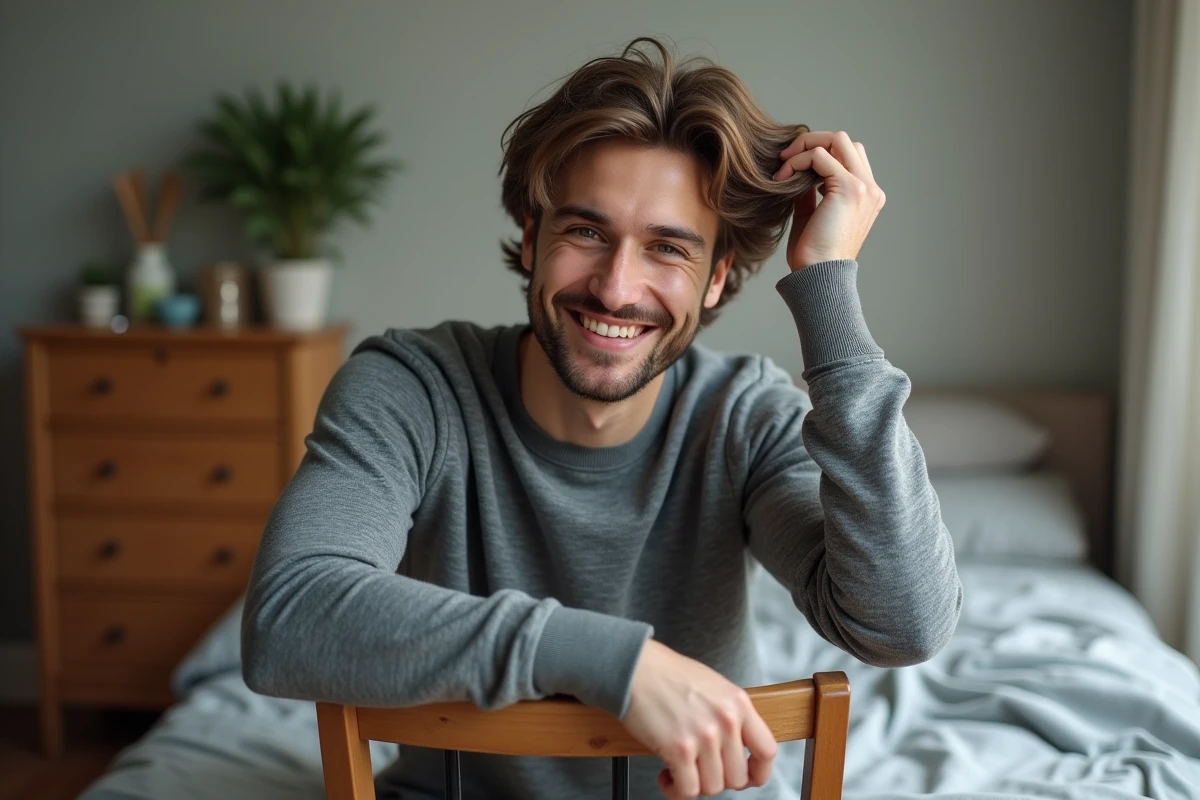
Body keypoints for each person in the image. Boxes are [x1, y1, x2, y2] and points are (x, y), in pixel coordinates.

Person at [242, 36, 962, 800]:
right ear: (532, 235)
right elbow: (290, 612)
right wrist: (612, 661)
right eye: (586, 231)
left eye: (668, 249)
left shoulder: (742, 418)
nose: (617, 288)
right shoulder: (412, 388)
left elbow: (901, 624)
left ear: (718, 279)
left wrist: (828, 290)